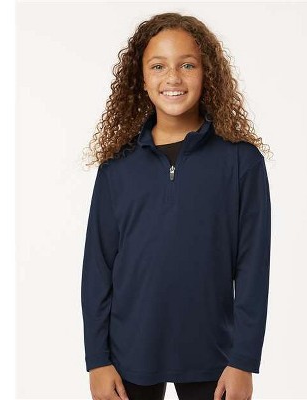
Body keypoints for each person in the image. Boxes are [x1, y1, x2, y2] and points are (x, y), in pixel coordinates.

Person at [81, 12, 273, 400]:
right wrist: (97, 360)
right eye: (158, 66)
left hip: (214, 356)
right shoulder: (118, 166)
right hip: (127, 354)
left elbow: (253, 267)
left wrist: (244, 360)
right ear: (141, 79)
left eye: (187, 65)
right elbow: (97, 267)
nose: (173, 78)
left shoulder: (241, 161)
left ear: (207, 74)